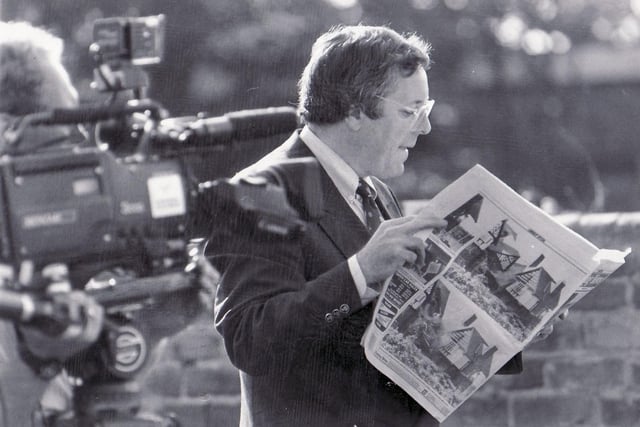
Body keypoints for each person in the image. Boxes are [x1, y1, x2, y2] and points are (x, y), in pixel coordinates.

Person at [210, 24, 527, 427]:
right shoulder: (259, 192)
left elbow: (398, 338)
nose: (425, 127)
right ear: (356, 110)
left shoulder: (374, 190)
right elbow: (249, 339)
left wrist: (514, 326)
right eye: (411, 111)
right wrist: (359, 273)